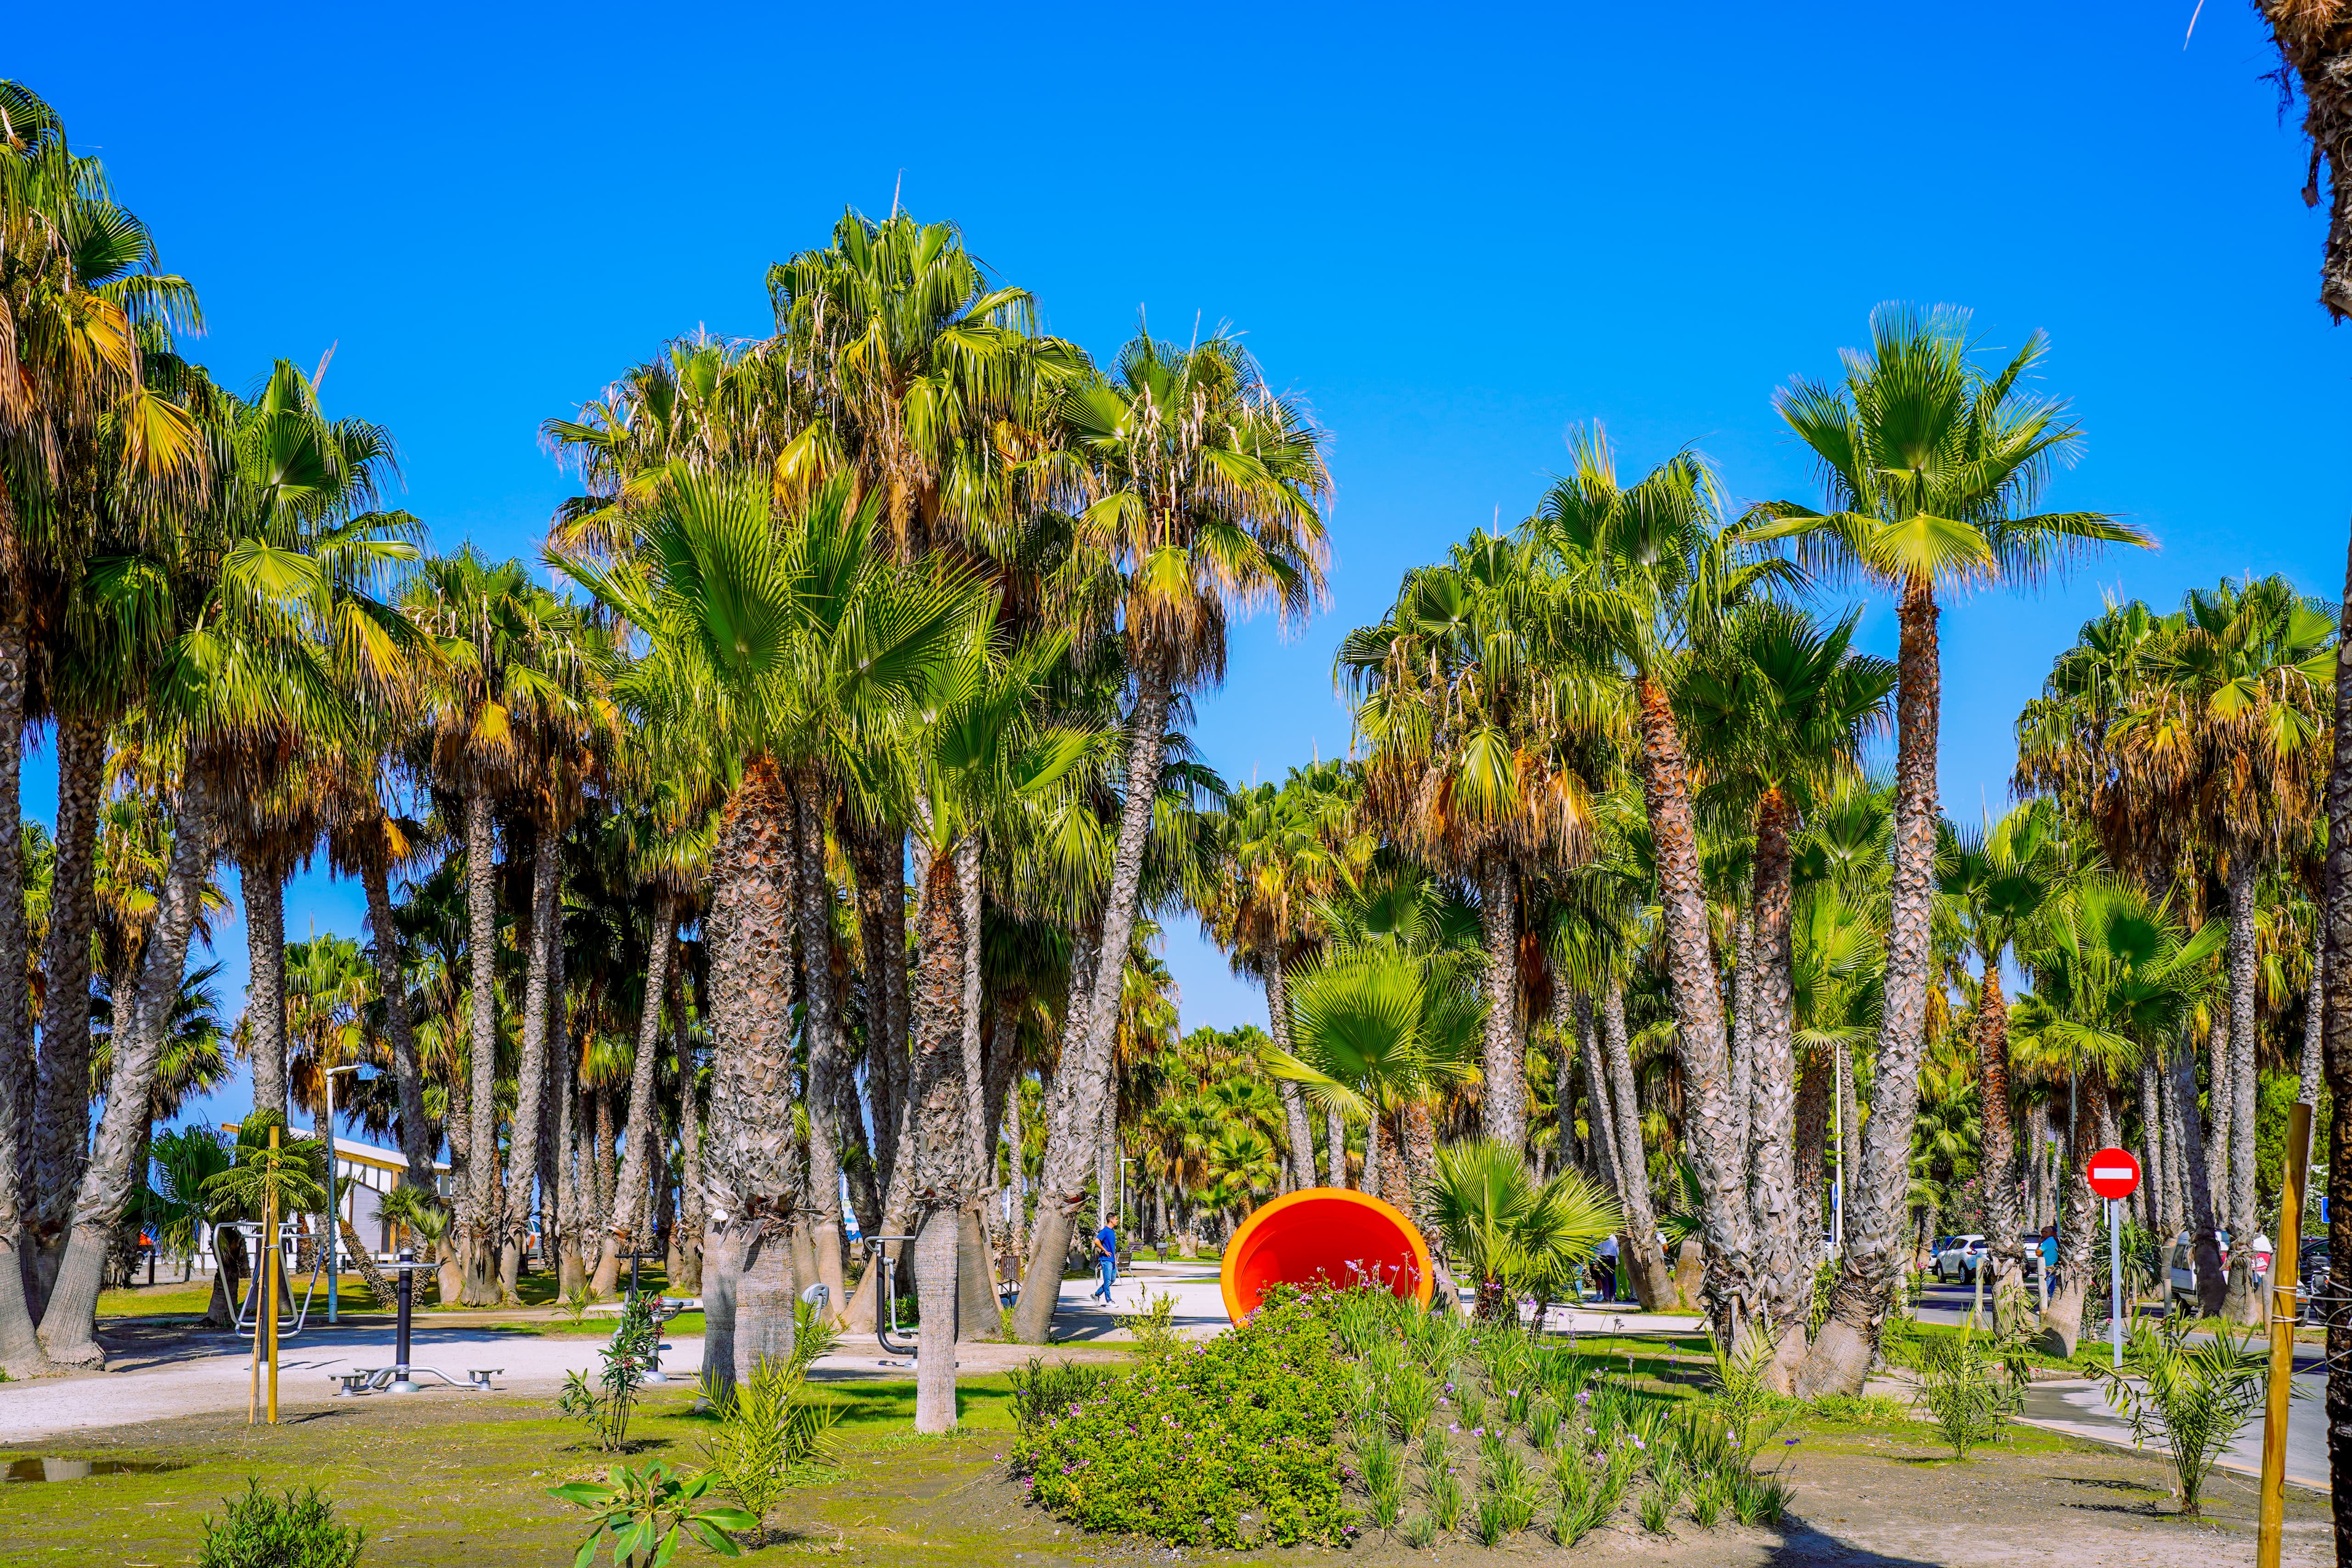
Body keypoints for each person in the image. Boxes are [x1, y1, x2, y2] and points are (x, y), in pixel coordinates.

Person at [1090, 1218, 1119, 1304]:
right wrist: (1105, 1250)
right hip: (1106, 1260)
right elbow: (1097, 1241)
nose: (1117, 1221)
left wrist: (1115, 1259)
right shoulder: (1105, 1231)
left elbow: (1112, 1247)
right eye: (1116, 1219)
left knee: (1112, 1280)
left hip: (1112, 1260)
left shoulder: (1112, 1232)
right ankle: (1109, 1301)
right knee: (1107, 1281)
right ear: (1111, 1220)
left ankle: (1096, 1295)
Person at [1595, 1234, 1620, 1303]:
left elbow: (1598, 1250)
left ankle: (1606, 1297)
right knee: (1612, 1278)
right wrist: (1616, 1259)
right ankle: (1613, 1297)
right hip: (1613, 1259)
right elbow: (1617, 1250)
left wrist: (1596, 1260)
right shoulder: (1615, 1238)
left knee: (1605, 1279)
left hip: (1604, 1258)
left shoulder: (1603, 1238)